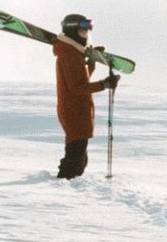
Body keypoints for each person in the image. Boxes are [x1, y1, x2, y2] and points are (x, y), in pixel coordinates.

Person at [49, 11, 119, 179]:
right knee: (76, 158)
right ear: (73, 31)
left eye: (87, 31)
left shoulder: (73, 53)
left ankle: (65, 185)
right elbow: (77, 87)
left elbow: (80, 78)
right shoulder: (70, 55)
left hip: (77, 110)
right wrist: (104, 84)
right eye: (83, 31)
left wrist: (91, 62)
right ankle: (63, 186)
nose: (86, 35)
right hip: (74, 111)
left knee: (79, 157)